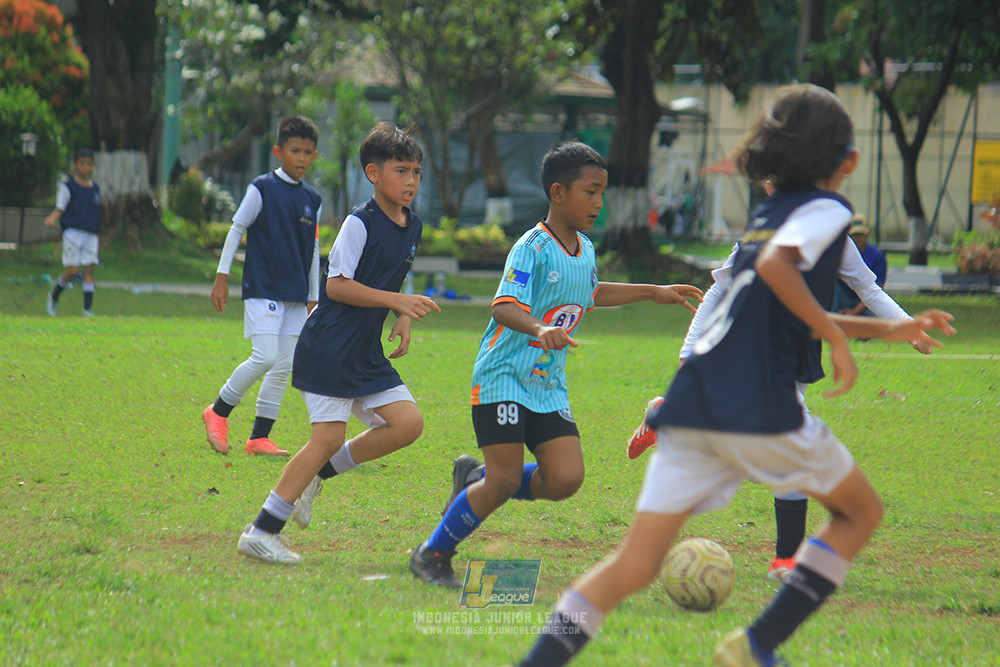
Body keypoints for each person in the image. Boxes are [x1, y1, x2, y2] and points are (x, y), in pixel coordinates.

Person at [516, 84, 955, 667]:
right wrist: (832, 336)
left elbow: (769, 294)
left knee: (633, 565)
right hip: (760, 407)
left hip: (695, 401)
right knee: (860, 513)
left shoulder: (765, 216)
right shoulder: (827, 210)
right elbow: (779, 273)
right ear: (846, 163)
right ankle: (754, 645)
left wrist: (882, 330)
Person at [407, 141, 704, 589]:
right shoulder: (531, 247)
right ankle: (432, 553)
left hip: (547, 384)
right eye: (591, 192)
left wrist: (652, 290)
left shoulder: (584, 246)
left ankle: (475, 478)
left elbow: (590, 290)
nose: (599, 203)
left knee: (565, 478)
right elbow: (503, 306)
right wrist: (539, 328)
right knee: (506, 480)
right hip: (503, 376)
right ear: (559, 193)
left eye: (603, 192)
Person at [626, 204, 936, 583]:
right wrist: (688, 353)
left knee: (776, 455)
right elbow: (720, 289)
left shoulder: (834, 235)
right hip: (756, 349)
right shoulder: (763, 229)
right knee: (791, 458)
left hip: (797, 348)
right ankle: (785, 562)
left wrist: (905, 327)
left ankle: (672, 419)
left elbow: (867, 287)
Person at [237, 122, 440, 564]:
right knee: (327, 437)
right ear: (373, 173)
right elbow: (337, 286)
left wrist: (402, 314)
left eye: (416, 173)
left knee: (407, 425)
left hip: (363, 350)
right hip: (330, 345)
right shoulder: (358, 222)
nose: (410, 181)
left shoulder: (412, 225)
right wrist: (396, 300)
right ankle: (263, 530)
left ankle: (318, 476)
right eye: (401, 170)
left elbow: (393, 274)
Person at [201, 115, 323, 457]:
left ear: (315, 156)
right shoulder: (262, 188)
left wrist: (313, 295)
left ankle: (258, 438)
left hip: (296, 295)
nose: (301, 158)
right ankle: (218, 411)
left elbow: (313, 250)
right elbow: (237, 228)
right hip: (263, 288)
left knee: (283, 364)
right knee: (265, 356)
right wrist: (221, 276)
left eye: (308, 152)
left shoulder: (313, 198)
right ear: (278, 152)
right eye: (294, 150)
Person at [44, 149, 102, 317]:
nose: (86, 167)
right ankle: (54, 296)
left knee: (89, 270)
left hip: (90, 233)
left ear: (93, 166)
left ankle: (87, 310)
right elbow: (60, 208)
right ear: (75, 165)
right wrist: (52, 219)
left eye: (89, 164)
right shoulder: (68, 186)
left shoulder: (95, 188)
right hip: (73, 233)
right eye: (82, 163)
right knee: (73, 271)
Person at [832, 216, 888, 316]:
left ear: (868, 234)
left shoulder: (877, 255)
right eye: (854, 235)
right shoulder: (839, 252)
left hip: (864, 301)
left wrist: (855, 312)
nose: (858, 239)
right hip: (844, 296)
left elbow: (877, 286)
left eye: (861, 235)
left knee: (877, 315)